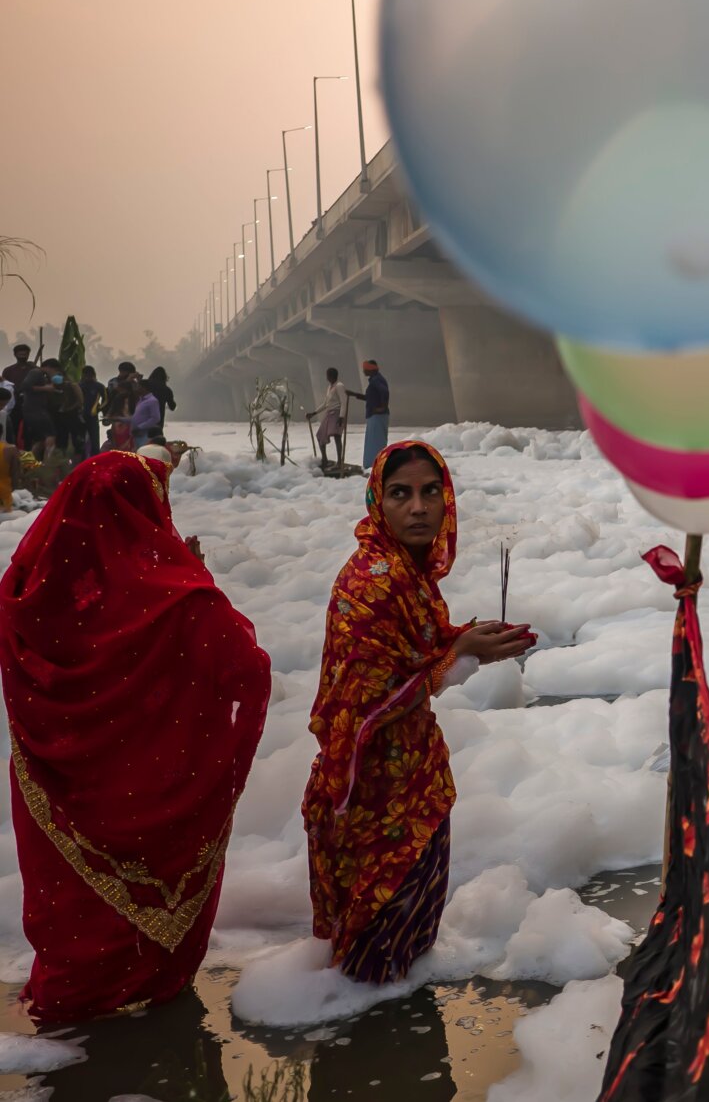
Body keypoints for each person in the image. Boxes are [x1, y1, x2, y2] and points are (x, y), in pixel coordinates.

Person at [0, 452, 269, 1021]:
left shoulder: (30, 601)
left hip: (63, 790)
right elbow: (245, 668)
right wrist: (195, 584)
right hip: (159, 801)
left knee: (74, 914)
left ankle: (70, 1012)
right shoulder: (184, 605)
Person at [302, 442, 535, 984]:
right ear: (377, 500)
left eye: (431, 492)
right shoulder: (374, 581)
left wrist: (462, 640)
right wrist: (458, 656)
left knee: (401, 944)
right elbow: (364, 697)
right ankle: (368, 1054)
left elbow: (409, 649)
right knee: (376, 952)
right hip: (377, 789)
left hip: (413, 772)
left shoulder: (408, 572)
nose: (419, 508)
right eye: (401, 493)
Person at [347, 359, 390, 472]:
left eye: (364, 369)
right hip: (374, 415)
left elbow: (384, 392)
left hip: (378, 416)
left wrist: (382, 408)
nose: (363, 371)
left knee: (376, 442)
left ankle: (375, 466)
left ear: (370, 369)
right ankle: (372, 465)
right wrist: (354, 394)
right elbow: (369, 398)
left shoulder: (377, 380)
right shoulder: (374, 381)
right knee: (373, 441)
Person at [308, 368, 348, 471]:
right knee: (320, 436)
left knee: (337, 436)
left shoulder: (339, 386)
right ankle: (324, 459)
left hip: (337, 413)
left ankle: (339, 462)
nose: (327, 377)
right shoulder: (330, 387)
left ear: (332, 375)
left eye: (328, 375)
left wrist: (341, 417)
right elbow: (326, 403)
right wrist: (314, 413)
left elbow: (344, 402)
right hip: (329, 414)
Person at [78, 366, 105, 457]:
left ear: (93, 375)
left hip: (93, 416)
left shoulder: (99, 386)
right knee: (80, 440)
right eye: (86, 375)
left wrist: (99, 408)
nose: (87, 377)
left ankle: (95, 459)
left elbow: (106, 400)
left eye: (90, 375)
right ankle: (81, 460)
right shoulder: (79, 385)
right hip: (80, 416)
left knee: (95, 441)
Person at [145, 366, 175, 435]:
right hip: (158, 420)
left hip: (144, 417)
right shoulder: (167, 390)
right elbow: (172, 407)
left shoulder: (146, 385)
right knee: (157, 439)